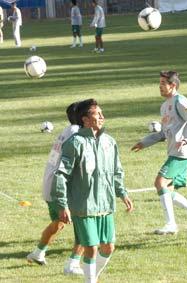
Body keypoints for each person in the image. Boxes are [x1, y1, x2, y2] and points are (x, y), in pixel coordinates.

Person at [52, 98, 134, 283]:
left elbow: (117, 170)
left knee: (108, 248)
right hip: (83, 206)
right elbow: (61, 175)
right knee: (91, 247)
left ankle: (91, 277)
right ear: (85, 120)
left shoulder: (110, 142)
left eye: (101, 113)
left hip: (105, 204)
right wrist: (62, 204)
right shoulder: (74, 143)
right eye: (97, 114)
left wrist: (122, 193)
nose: (102, 116)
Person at [131, 70, 187, 235]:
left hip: (183, 152)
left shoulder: (180, 101)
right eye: (159, 84)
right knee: (168, 191)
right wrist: (144, 142)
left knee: (160, 182)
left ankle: (171, 224)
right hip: (174, 151)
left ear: (173, 85)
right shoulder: (165, 106)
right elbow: (163, 134)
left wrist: (186, 138)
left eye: (163, 84)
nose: (160, 87)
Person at [27, 102, 84, 275]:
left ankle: (38, 253)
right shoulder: (77, 134)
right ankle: (73, 264)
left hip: (49, 184)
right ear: (83, 117)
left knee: (59, 223)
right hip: (61, 187)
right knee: (86, 224)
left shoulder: (66, 131)